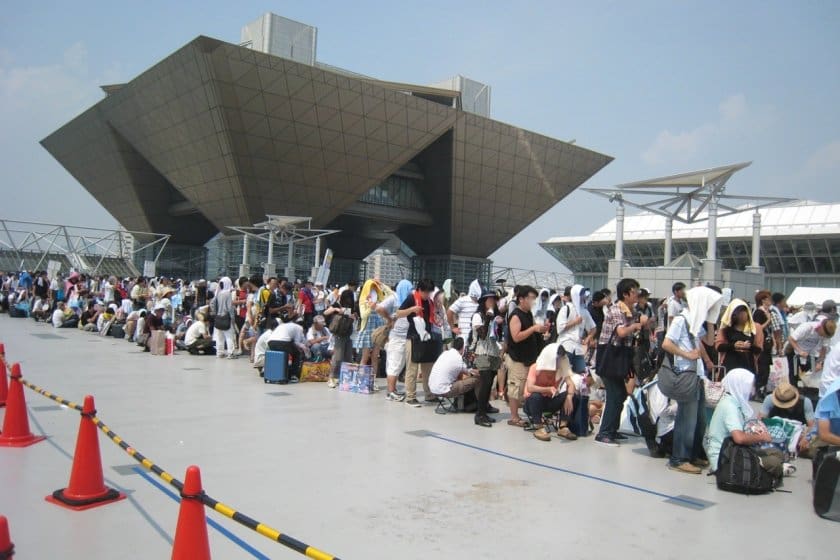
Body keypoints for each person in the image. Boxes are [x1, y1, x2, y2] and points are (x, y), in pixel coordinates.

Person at [661, 286, 722, 473]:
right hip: (685, 373)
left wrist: (711, 320)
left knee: (699, 419)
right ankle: (679, 458)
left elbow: (709, 342)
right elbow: (666, 343)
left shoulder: (695, 320)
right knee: (686, 419)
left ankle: (693, 454)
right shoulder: (681, 319)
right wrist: (687, 354)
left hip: (697, 374)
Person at [595, 278, 647, 447]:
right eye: (634, 292)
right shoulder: (617, 309)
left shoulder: (630, 310)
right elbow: (621, 332)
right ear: (625, 294)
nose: (637, 295)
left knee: (620, 394)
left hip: (620, 358)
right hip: (610, 357)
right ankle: (604, 433)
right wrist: (636, 325)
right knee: (615, 394)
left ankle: (612, 430)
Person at [704, 368, 782, 478]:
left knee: (776, 453)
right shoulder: (731, 407)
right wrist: (761, 437)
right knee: (774, 462)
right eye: (751, 386)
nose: (753, 390)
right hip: (725, 458)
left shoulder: (732, 401)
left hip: (731, 450)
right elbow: (739, 438)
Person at [505, 285, 547, 427]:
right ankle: (514, 417)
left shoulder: (528, 314)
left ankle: (522, 414)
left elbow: (533, 330)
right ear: (521, 299)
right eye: (531, 298)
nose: (533, 301)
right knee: (516, 388)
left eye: (534, 298)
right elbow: (516, 337)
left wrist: (541, 329)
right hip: (517, 358)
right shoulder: (516, 315)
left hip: (528, 358)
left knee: (524, 387)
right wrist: (533, 328)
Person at [524, 342, 579, 442]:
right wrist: (548, 389)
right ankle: (539, 427)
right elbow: (530, 388)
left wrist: (569, 396)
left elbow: (571, 384)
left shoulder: (561, 369)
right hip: (532, 403)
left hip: (549, 401)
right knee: (536, 395)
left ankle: (562, 427)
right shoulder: (535, 367)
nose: (560, 361)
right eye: (558, 359)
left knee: (572, 395)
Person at [402, 278, 438, 406]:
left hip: (426, 337)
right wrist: (412, 310)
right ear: (420, 290)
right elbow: (399, 313)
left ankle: (429, 394)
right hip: (413, 338)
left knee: (428, 368)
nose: (428, 295)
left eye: (430, 292)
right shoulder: (412, 298)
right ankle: (410, 396)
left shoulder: (429, 301)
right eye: (426, 292)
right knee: (412, 368)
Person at [470, 291, 503, 427]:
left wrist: (499, 322)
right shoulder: (478, 316)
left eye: (494, 300)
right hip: (481, 352)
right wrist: (489, 318)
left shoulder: (496, 316)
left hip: (494, 352)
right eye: (489, 300)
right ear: (483, 302)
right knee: (485, 381)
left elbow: (497, 335)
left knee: (489, 383)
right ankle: (479, 414)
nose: (492, 302)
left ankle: (484, 411)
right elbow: (482, 335)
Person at [378, 279, 414, 401]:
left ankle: (392, 390)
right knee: (394, 365)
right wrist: (389, 319)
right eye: (409, 288)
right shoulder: (394, 297)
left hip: (405, 336)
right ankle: (391, 392)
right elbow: (379, 308)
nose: (411, 290)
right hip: (397, 337)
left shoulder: (408, 300)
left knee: (397, 365)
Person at [759, 382, 815, 454]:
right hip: (774, 431)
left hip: (797, 434)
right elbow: (760, 421)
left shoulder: (805, 402)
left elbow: (812, 425)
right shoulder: (769, 399)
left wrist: (806, 438)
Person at [715, 299, 763, 375]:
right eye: (739, 312)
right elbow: (719, 347)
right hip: (730, 365)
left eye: (744, 311)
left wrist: (749, 347)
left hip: (748, 365)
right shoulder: (725, 328)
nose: (742, 315)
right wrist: (734, 345)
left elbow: (759, 349)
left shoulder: (755, 327)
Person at [324, 288, 357, 389]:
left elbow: (356, 318)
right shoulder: (337, 305)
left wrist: (353, 316)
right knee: (337, 357)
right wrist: (337, 310)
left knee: (348, 358)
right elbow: (326, 313)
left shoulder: (353, 307)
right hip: (338, 334)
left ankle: (346, 378)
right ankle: (331, 378)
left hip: (348, 334)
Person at [428, 337, 479, 402]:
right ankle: (481, 405)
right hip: (444, 390)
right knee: (478, 379)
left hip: (432, 389)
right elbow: (471, 373)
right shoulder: (458, 358)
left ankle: (463, 403)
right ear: (463, 347)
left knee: (458, 375)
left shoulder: (444, 353)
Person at [786, 317, 836, 383]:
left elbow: (823, 349)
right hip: (794, 349)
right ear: (821, 327)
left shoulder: (826, 334)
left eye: (825, 335)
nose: (823, 336)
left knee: (809, 371)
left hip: (808, 353)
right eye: (823, 334)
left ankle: (806, 387)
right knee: (794, 372)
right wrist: (800, 351)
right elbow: (791, 338)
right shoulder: (807, 327)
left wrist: (819, 362)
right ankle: (793, 388)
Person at [268, 311, 307, 381]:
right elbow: (297, 342)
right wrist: (304, 347)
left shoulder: (286, 325)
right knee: (296, 353)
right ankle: (293, 375)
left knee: (288, 352)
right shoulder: (299, 328)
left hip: (271, 342)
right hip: (282, 342)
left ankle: (277, 372)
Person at [752, 290, 776, 399]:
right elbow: (758, 328)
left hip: (767, 344)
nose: (770, 301)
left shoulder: (768, 312)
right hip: (760, 344)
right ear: (763, 300)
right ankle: (758, 391)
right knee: (762, 369)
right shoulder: (758, 313)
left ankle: (762, 390)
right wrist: (768, 320)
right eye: (768, 299)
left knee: (766, 369)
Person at [210, 277, 237, 359]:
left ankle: (219, 353)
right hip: (226, 317)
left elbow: (212, 303)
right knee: (229, 336)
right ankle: (230, 353)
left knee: (219, 337)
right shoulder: (228, 294)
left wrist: (215, 312)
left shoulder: (218, 293)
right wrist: (232, 318)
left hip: (218, 317)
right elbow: (230, 307)